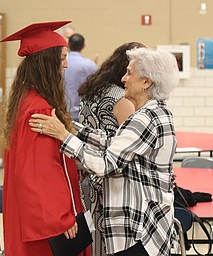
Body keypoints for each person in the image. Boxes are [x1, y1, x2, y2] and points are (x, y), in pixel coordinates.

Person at [29, 47, 179, 256]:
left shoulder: (145, 119)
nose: (123, 78)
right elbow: (113, 143)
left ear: (147, 82)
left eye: (129, 73)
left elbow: (106, 164)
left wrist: (64, 136)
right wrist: (70, 127)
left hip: (141, 231)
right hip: (149, 227)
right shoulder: (156, 112)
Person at [1, 20, 90, 256]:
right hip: (46, 224)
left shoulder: (27, 100)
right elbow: (40, 172)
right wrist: (61, 218)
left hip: (32, 214)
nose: (66, 64)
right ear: (46, 61)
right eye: (61, 57)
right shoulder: (38, 110)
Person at [78, 42, 146, 256]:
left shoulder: (91, 91)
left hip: (86, 175)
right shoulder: (121, 98)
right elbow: (130, 146)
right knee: (111, 244)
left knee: (93, 238)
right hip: (110, 181)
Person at [64, 33, 98, 121]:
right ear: (84, 46)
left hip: (61, 112)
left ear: (68, 45)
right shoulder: (89, 65)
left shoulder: (58, 63)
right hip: (81, 114)